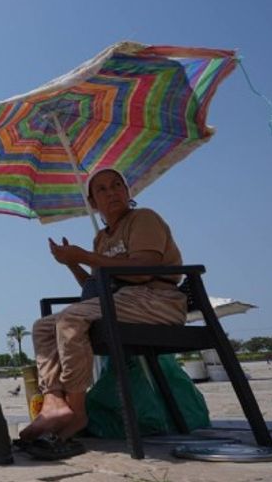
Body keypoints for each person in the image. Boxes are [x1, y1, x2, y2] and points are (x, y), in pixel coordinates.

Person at [19, 168, 187, 444]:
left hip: (157, 299)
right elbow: (95, 287)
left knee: (71, 319)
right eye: (102, 190)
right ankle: (53, 401)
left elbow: (143, 270)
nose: (112, 193)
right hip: (120, 301)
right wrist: (73, 263)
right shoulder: (102, 239)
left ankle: (76, 412)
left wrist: (86, 256)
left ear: (127, 191)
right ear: (93, 203)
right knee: (44, 327)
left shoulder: (143, 218)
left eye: (117, 185)